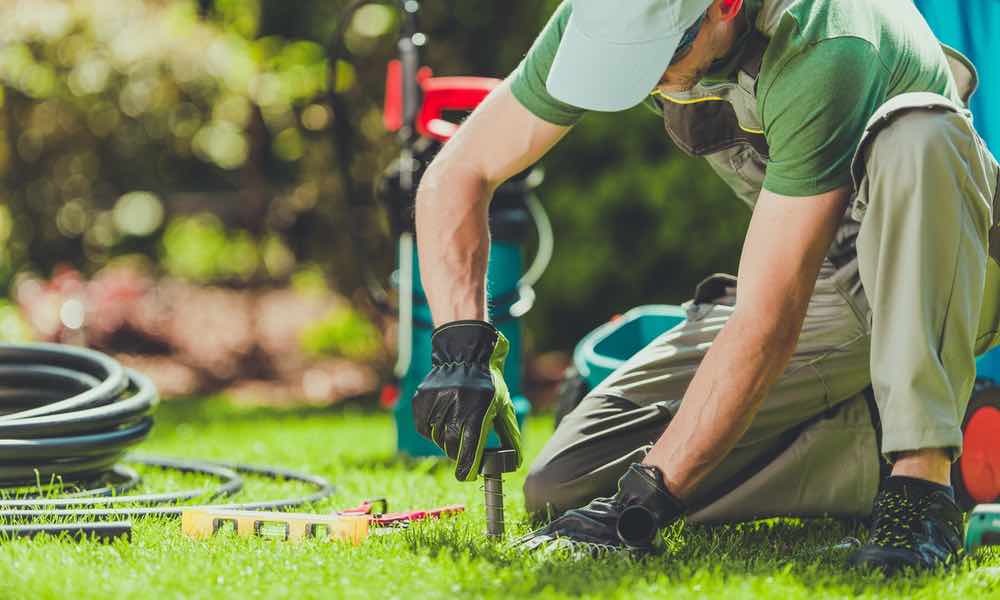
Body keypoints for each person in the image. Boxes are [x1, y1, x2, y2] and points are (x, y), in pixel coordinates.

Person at [409, 0, 1000, 573]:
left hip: (943, 270)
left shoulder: (825, 40)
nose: (649, 76)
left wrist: (642, 504)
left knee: (919, 133)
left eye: (663, 51)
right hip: (823, 282)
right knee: (564, 482)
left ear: (726, 5)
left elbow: (768, 322)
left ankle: (920, 484)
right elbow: (460, 171)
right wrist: (460, 346)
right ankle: (917, 435)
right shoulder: (605, 15)